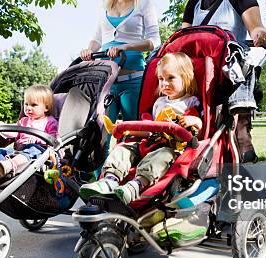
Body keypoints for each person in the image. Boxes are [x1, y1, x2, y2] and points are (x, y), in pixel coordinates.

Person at [181, 0, 266, 163]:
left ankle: (242, 130)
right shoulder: (193, 3)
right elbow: (181, 41)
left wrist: (261, 35)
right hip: (198, 71)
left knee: (243, 59)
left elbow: (256, 27)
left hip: (229, 68)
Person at [80, 52, 202, 204]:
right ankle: (110, 179)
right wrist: (127, 129)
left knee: (158, 158)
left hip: (171, 147)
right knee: (122, 149)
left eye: (171, 78)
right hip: (149, 141)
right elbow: (150, 128)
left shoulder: (190, 102)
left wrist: (193, 120)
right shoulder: (159, 103)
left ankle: (136, 186)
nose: (165, 84)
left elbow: (200, 124)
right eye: (161, 79)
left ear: (186, 78)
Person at [80, 0, 161, 127]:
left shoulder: (145, 4)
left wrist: (127, 46)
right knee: (101, 134)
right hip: (106, 79)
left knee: (133, 131)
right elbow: (97, 37)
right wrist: (89, 50)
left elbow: (155, 41)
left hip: (132, 78)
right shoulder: (104, 5)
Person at [0, 85, 58, 186]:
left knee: (33, 148)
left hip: (37, 153)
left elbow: (53, 139)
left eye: (33, 105)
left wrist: (38, 140)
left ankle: (10, 165)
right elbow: (14, 132)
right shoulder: (23, 121)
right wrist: (1, 126)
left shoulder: (50, 121)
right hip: (18, 151)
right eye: (26, 104)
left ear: (46, 107)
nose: (28, 108)